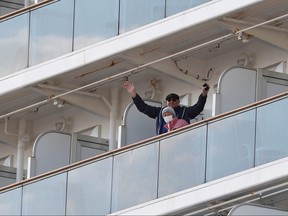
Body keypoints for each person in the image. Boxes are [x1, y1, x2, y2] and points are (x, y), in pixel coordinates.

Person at [123, 80, 209, 135]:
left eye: (174, 99)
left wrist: (203, 94)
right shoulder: (160, 112)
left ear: (179, 101)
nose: (171, 101)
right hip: (163, 143)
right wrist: (133, 93)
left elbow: (198, 107)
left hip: (181, 140)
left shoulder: (184, 111)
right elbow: (143, 107)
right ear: (166, 102)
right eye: (169, 100)